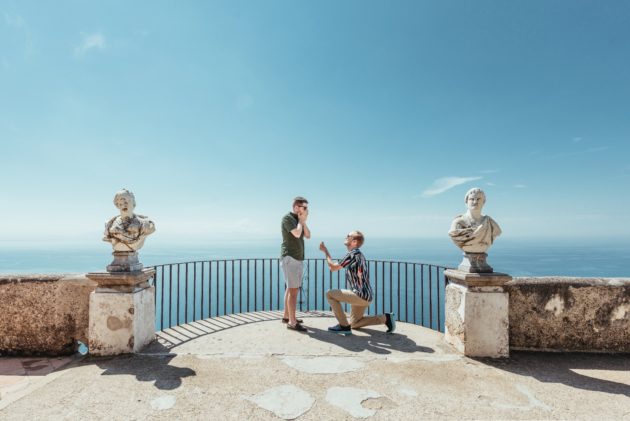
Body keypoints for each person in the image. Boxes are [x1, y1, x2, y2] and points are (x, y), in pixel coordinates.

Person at [319, 231, 395, 336]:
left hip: (359, 295)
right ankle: (385, 318)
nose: (346, 236)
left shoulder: (354, 254)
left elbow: (333, 267)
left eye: (348, 236)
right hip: (366, 296)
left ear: (354, 242)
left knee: (329, 294)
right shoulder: (357, 254)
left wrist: (325, 251)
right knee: (354, 324)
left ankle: (343, 326)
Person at [280, 196, 311, 332]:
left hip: (297, 258)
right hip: (290, 258)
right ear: (295, 207)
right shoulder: (287, 218)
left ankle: (287, 317)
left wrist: (303, 221)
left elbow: (308, 235)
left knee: (291, 289)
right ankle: (292, 322)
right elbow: (297, 234)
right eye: (303, 207)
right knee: (293, 291)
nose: (305, 209)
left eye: (305, 207)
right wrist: (301, 221)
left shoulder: (298, 220)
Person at [448, 188, 501, 253]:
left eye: (478, 199)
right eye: (472, 199)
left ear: (484, 202)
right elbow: (453, 233)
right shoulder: (458, 223)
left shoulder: (490, 223)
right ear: (466, 202)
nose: (475, 202)